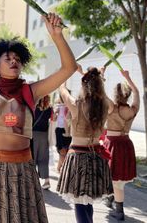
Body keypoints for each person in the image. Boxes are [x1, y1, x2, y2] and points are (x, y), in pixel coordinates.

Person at [0, 10, 77, 222]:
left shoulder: (31, 91)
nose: (13, 61)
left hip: (22, 169)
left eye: (17, 58)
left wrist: (57, 36)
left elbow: (69, 68)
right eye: (7, 58)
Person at [57, 67, 113, 223]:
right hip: (96, 157)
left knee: (80, 204)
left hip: (78, 158)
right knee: (87, 202)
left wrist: (72, 71)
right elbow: (110, 103)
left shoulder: (76, 104)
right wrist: (97, 77)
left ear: (83, 85)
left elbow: (62, 89)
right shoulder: (105, 105)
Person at [103, 69, 139, 221]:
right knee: (119, 179)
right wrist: (128, 78)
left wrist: (102, 76)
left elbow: (100, 93)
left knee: (116, 180)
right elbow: (137, 92)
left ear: (116, 94)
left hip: (113, 145)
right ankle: (112, 199)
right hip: (126, 144)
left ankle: (119, 211)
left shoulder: (112, 107)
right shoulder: (132, 110)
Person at [32, 95, 53, 190]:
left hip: (33, 134)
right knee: (44, 158)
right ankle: (47, 181)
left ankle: (32, 181)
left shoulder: (34, 107)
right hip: (44, 135)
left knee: (33, 158)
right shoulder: (50, 109)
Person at [53, 94, 72, 172]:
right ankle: (61, 169)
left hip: (67, 130)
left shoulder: (71, 106)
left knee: (65, 151)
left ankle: (62, 169)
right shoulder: (59, 107)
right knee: (62, 150)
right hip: (61, 129)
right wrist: (55, 113)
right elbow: (54, 119)